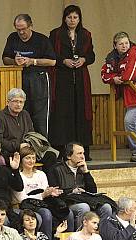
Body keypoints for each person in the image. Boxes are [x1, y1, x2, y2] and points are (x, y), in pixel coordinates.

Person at [49, 5, 95, 160]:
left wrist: (83, 59)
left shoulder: (86, 34)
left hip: (81, 79)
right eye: (69, 17)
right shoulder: (55, 34)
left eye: (75, 17)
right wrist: (63, 61)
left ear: (79, 18)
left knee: (81, 113)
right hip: (62, 79)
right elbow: (51, 55)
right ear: (64, 18)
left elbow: (91, 55)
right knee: (63, 114)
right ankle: (63, 152)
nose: (72, 20)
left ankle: (83, 152)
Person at [2, 14, 56, 137]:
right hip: (20, 79)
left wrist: (32, 61)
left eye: (24, 29)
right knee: (22, 113)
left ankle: (42, 147)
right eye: (18, 29)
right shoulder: (12, 38)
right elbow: (5, 58)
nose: (21, 32)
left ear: (30, 26)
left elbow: (52, 61)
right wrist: (15, 61)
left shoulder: (41, 40)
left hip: (39, 79)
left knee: (40, 117)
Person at [101, 32, 136, 162]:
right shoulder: (112, 57)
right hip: (128, 94)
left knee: (129, 121)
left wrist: (118, 79)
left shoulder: (134, 53)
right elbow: (104, 74)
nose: (124, 46)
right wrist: (114, 78)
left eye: (126, 43)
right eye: (121, 44)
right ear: (115, 46)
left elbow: (130, 74)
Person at [47, 142, 112, 230]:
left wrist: (86, 172)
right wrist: (72, 191)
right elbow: (55, 192)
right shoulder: (56, 169)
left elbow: (93, 191)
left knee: (106, 207)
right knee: (84, 207)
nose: (83, 157)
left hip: (84, 199)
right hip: (68, 202)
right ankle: (80, 237)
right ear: (69, 156)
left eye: (83, 153)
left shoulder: (82, 169)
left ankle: (104, 236)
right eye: (79, 153)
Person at [0, 88, 58, 170]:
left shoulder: (25, 114)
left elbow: (31, 133)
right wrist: (18, 146)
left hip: (27, 150)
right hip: (10, 151)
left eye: (21, 102)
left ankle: (45, 181)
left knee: (50, 155)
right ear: (8, 102)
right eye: (15, 101)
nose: (18, 104)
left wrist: (29, 144)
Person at [14, 146, 69, 240]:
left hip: (43, 203)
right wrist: (42, 195)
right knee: (45, 213)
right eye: (28, 158)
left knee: (67, 212)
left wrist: (51, 192)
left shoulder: (41, 174)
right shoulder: (17, 176)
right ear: (21, 160)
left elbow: (45, 191)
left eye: (33, 158)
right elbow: (22, 199)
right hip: (25, 206)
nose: (31, 161)